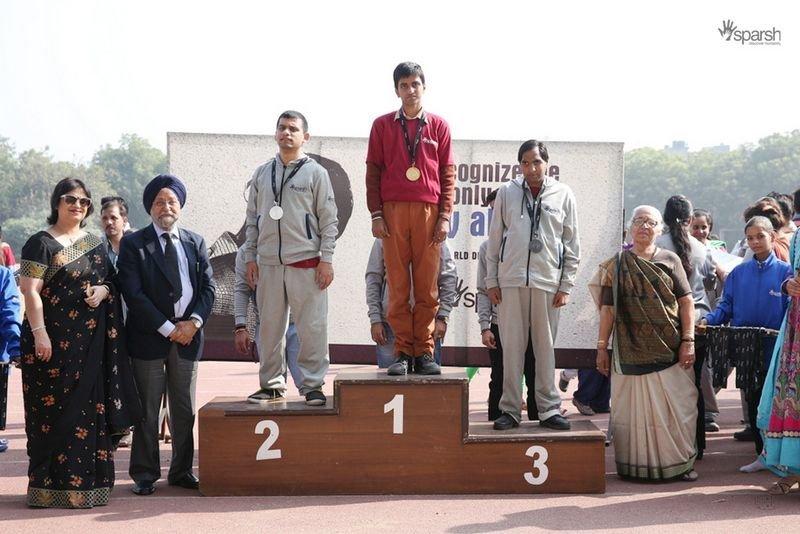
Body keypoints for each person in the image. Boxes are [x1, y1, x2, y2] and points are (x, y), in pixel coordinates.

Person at [18, 177, 139, 507]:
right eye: (70, 199)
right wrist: (40, 333)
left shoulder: (95, 243)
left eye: (84, 202)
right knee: (51, 414)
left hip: (90, 345)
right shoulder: (39, 243)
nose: (77, 205)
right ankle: (46, 487)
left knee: (88, 414)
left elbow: (111, 282)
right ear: (57, 201)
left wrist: (104, 291)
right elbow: (30, 291)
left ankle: (87, 486)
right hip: (52, 346)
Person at [117, 174, 215, 496]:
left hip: (189, 336)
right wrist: (168, 327)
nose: (166, 207)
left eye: (172, 201)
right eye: (159, 202)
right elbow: (133, 292)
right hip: (149, 336)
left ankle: (182, 470)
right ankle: (145, 474)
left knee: (183, 408)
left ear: (180, 206)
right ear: (150, 208)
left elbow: (209, 288)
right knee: (147, 409)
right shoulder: (134, 244)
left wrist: (194, 323)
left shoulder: (195, 242)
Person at [592, 205, 698, 481]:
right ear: (630, 227)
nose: (643, 226)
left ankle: (679, 464)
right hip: (630, 350)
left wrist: (688, 340)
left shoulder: (670, 259)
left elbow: (686, 302)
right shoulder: (617, 264)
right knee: (633, 413)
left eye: (650, 222)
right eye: (638, 221)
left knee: (678, 408)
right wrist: (602, 347)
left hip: (670, 348)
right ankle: (635, 466)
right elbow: (608, 310)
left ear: (659, 229)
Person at [366, 61, 456, 376]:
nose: (410, 90)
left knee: (427, 284)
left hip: (428, 211)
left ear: (424, 87)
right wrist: (376, 213)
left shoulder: (439, 126)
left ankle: (426, 352)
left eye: (415, 84)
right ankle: (403, 351)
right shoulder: (381, 125)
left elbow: (448, 174)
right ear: (396, 90)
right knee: (399, 283)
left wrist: (444, 216)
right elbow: (373, 171)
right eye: (404, 85)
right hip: (391, 211)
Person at [244, 111, 338, 406]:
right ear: (275, 134)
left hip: (307, 261)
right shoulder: (262, 173)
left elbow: (329, 220)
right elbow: (251, 219)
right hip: (269, 262)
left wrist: (327, 259)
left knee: (312, 327)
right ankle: (271, 384)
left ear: (304, 137)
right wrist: (251, 256)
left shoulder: (316, 173)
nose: (287, 133)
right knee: (270, 328)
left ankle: (312, 385)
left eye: (293, 129)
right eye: (282, 128)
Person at [486, 139, 580, 431]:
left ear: (547, 163)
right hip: (511, 281)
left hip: (547, 283)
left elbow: (571, 243)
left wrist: (566, 284)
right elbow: (494, 239)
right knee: (511, 349)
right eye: (525, 163)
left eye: (536, 161)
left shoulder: (563, 194)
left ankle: (548, 409)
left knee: (544, 349)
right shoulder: (506, 193)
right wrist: (492, 279)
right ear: (519, 165)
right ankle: (510, 410)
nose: (531, 168)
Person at [700, 216, 791, 473]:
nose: (755, 242)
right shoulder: (738, 273)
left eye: (760, 236)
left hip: (776, 346)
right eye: (750, 238)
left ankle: (780, 455)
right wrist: (708, 319)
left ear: (772, 237)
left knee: (775, 400)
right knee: (752, 398)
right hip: (745, 346)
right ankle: (761, 456)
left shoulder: (787, 273)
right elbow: (725, 307)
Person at [657, 195, 717, 444]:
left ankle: (671, 444)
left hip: (665, 324)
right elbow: (711, 280)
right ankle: (698, 443)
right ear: (690, 220)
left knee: (668, 387)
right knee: (695, 386)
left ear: (664, 219)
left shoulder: (656, 247)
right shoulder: (703, 249)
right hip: (697, 324)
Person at [476, 189, 537, 421]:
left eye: (498, 210)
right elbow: (483, 290)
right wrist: (485, 326)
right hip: (499, 323)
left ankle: (538, 425)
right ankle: (495, 435)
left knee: (534, 375)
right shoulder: (485, 248)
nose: (495, 216)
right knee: (499, 377)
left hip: (532, 322)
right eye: (491, 211)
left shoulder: (531, 243)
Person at [366, 238, 456, 368]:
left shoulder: (436, 236)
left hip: (427, 325)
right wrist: (375, 319)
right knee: (389, 385)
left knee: (428, 385)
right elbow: (373, 279)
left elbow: (448, 277)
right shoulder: (384, 237)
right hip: (391, 327)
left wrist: (443, 316)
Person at [760, 221, 800, 494]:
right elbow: (790, 275)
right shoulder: (798, 236)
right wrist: (789, 286)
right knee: (793, 395)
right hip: (797, 327)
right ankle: (795, 468)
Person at [233, 244, 303, 390]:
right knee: (272, 386)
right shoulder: (246, 251)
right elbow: (241, 289)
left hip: (298, 323)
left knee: (308, 384)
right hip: (266, 325)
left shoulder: (295, 242)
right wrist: (240, 326)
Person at [0, 264, 21, 450]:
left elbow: (9, 312)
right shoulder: (3, 274)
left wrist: (15, 346)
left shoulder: (3, 274)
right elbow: (10, 312)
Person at [100, 196, 131, 267]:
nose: (109, 222)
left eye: (113, 218)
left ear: (124, 221)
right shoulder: (97, 247)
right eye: (104, 218)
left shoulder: (136, 246)